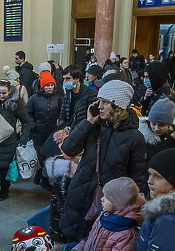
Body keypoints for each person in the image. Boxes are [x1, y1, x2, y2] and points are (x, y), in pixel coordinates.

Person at [59, 80, 148, 241]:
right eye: (99, 101)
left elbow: (138, 178)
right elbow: (68, 149)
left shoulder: (135, 138)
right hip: (81, 192)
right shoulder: (94, 126)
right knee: (73, 242)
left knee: (98, 245)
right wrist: (87, 123)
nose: (99, 106)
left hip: (110, 201)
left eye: (105, 102)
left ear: (119, 105)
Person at [0, 79, 34, 209]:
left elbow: (28, 122)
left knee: (4, 170)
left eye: (4, 93)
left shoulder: (15, 104)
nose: (1, 96)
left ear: (9, 92)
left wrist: (23, 140)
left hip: (8, 142)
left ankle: (3, 191)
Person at [27, 71, 61, 188]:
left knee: (51, 157)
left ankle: (45, 178)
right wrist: (33, 125)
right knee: (41, 157)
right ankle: (44, 179)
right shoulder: (34, 99)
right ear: (42, 86)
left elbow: (62, 113)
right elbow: (28, 114)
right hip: (38, 133)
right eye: (47, 85)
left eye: (51, 85)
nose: (50, 87)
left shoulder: (59, 98)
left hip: (53, 132)